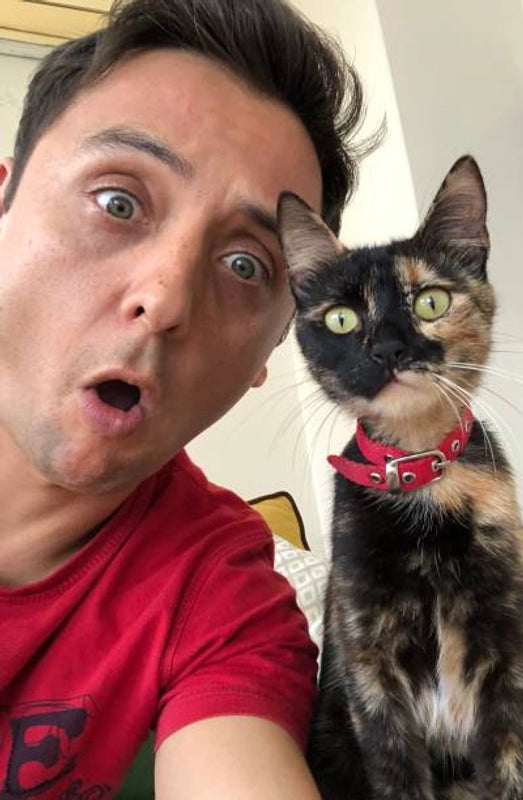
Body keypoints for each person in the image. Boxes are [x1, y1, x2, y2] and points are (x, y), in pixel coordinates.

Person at [0, 0, 368, 797]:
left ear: (272, 350)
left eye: (244, 266)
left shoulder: (224, 593)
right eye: (117, 202)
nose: (166, 299)